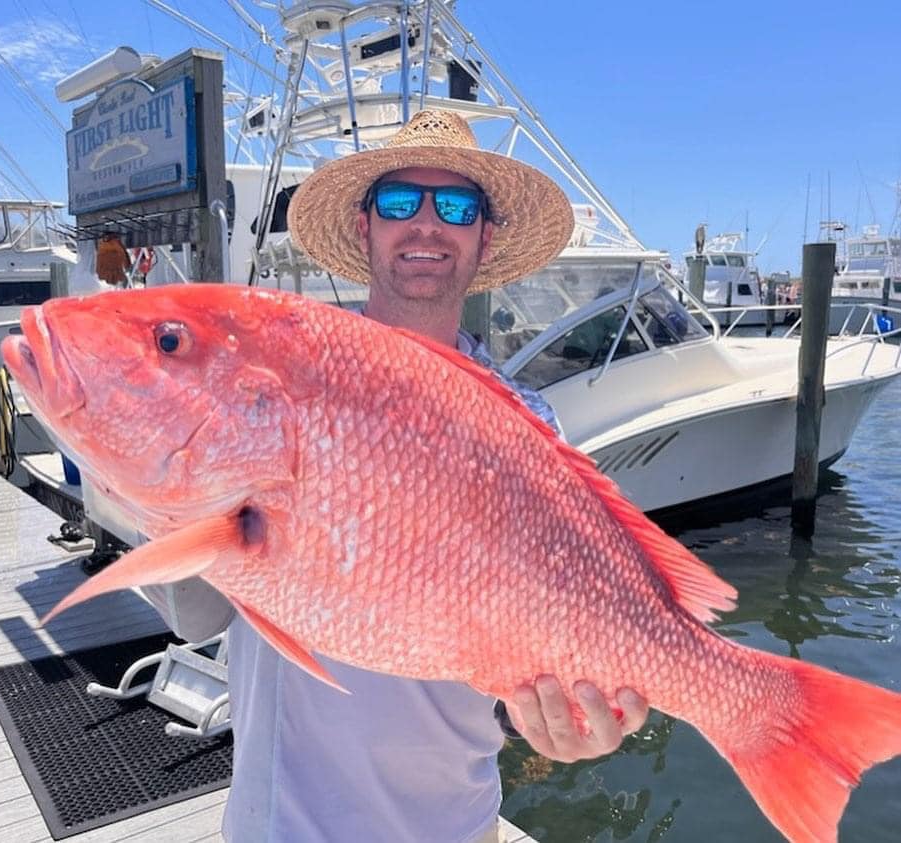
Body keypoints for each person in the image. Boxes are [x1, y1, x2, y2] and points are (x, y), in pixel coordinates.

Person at [144, 110, 647, 843]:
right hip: (275, 825)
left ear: (485, 236)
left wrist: (566, 717)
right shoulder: (277, 380)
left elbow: (532, 659)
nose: (426, 223)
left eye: (457, 206)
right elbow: (194, 619)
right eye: (400, 200)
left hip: (451, 826)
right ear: (365, 226)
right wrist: (166, 484)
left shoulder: (529, 427)